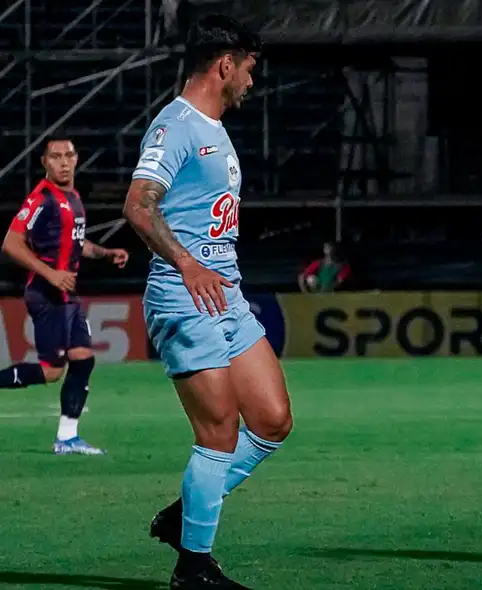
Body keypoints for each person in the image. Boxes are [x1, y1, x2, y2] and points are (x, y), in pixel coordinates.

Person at [123, 14, 292, 590]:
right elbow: (139, 206)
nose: (250, 81)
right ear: (225, 64)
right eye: (248, 69)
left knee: (271, 420)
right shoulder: (176, 127)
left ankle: (184, 514)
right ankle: (193, 569)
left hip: (226, 295)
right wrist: (188, 263)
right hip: (184, 293)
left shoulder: (213, 129)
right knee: (218, 433)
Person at [0, 131, 129, 455]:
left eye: (68, 156)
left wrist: (105, 253)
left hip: (65, 296)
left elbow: (76, 243)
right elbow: (10, 243)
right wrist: (51, 275)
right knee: (51, 371)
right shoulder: (41, 198)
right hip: (46, 293)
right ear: (44, 163)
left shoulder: (72, 198)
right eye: (55, 157)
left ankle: (67, 438)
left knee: (82, 360)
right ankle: (66, 437)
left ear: (76, 160)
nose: (63, 162)